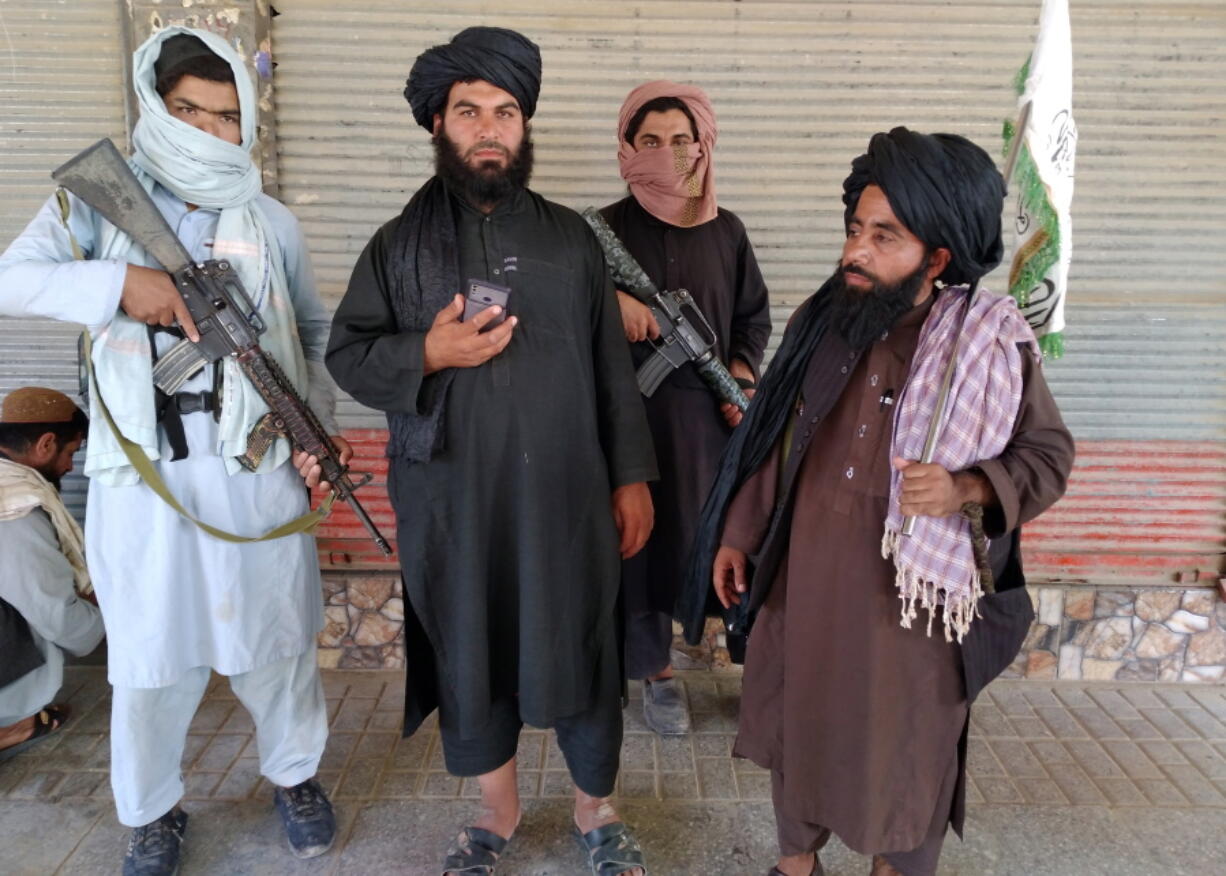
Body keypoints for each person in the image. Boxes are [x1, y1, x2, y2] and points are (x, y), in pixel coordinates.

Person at [682, 127, 1075, 876]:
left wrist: (966, 487)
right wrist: (739, 532)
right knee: (803, 732)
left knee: (907, 756)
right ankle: (795, 867)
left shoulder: (988, 345)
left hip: (912, 614)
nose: (855, 250)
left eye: (883, 236)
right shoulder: (822, 321)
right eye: (854, 229)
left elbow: (1049, 457)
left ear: (936, 258)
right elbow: (775, 439)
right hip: (808, 588)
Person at [0, 28, 342, 875]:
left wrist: (314, 437)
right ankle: (152, 812)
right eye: (188, 108)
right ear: (155, 105)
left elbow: (311, 332)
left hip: (253, 468)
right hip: (141, 477)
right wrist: (124, 287)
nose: (209, 130)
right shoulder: (91, 208)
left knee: (276, 643)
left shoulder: (269, 221)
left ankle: (295, 776)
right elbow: (12, 277)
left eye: (227, 115)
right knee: (149, 663)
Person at [326, 26, 656, 876]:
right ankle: (496, 813)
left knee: (581, 640)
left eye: (505, 112)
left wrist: (632, 480)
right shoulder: (397, 246)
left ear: (524, 126)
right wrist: (428, 353)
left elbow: (614, 374)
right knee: (474, 648)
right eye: (469, 111)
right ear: (437, 122)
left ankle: (597, 812)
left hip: (567, 499)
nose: (489, 128)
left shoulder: (572, 241)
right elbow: (349, 355)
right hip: (453, 503)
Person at [599, 80, 771, 736]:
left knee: (729, 546)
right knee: (639, 550)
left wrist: (741, 373)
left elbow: (753, 317)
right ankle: (656, 675)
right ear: (627, 147)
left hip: (711, 427)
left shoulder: (726, 232)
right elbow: (568, 323)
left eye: (680, 141)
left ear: (702, 148)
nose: (667, 155)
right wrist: (611, 308)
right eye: (650, 142)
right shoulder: (604, 232)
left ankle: (754, 668)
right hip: (630, 427)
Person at [0, 387, 104, 761]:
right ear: (46, 444)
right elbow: (51, 611)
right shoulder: (15, 506)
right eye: (71, 452)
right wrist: (105, 623)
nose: (71, 469)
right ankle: (12, 723)